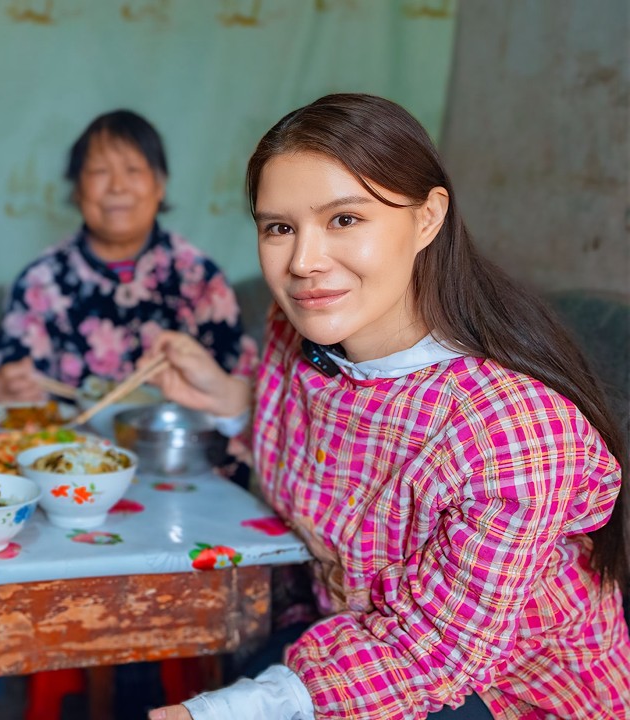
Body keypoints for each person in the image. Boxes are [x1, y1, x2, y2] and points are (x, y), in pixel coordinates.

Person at [144, 94, 629, 720]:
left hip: (499, 691)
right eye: (279, 227)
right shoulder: (302, 335)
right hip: (351, 637)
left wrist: (222, 710)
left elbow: (432, 654)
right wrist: (233, 403)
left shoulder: (513, 430)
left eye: (345, 219)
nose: (304, 262)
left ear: (428, 218)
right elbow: (322, 465)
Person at [0, 109, 254, 405]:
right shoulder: (39, 282)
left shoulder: (199, 277)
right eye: (100, 171)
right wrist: (7, 391)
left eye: (133, 170)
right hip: (68, 448)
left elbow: (236, 389)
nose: (116, 186)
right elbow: (13, 387)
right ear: (77, 189)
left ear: (160, 185)